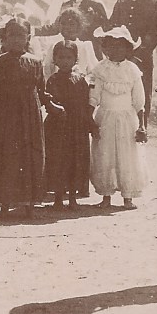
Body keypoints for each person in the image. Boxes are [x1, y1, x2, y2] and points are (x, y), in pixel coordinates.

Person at [0, 17, 45, 218]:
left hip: (29, 116)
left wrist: (52, 106)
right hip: (6, 116)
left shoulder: (36, 62)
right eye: (12, 35)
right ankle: (4, 204)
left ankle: (29, 204)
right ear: (4, 37)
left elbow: (42, 91)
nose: (16, 39)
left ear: (28, 37)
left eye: (21, 35)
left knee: (29, 156)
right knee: (6, 156)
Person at [89, 26, 147, 210]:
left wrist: (142, 126)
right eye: (111, 46)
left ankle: (127, 196)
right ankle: (106, 195)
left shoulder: (132, 70)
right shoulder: (100, 70)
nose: (116, 50)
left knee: (126, 155)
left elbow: (139, 101)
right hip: (105, 118)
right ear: (105, 48)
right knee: (105, 155)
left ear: (129, 49)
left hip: (126, 120)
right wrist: (90, 121)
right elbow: (93, 97)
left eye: (121, 46)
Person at [109, 0, 157, 124]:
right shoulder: (121, 3)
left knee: (143, 92)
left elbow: (154, 33)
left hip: (142, 59)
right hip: (121, 58)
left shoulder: (154, 3)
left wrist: (138, 56)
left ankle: (142, 127)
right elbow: (113, 27)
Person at [44, 40, 92, 209]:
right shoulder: (52, 80)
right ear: (55, 60)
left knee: (75, 160)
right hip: (57, 127)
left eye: (69, 57)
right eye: (61, 57)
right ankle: (58, 197)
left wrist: (88, 123)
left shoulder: (80, 80)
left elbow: (86, 104)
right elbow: (49, 102)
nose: (65, 61)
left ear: (75, 59)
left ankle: (73, 197)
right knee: (58, 161)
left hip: (76, 127)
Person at [37, 0, 108, 59]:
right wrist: (33, 30)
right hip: (70, 53)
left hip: (91, 53)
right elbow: (56, 27)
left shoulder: (95, 6)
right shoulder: (65, 6)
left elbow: (106, 31)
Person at [42, 6, 97, 81]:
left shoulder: (85, 46)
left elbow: (93, 72)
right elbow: (47, 70)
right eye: (63, 24)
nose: (67, 27)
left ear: (79, 26)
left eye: (71, 24)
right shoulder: (54, 46)